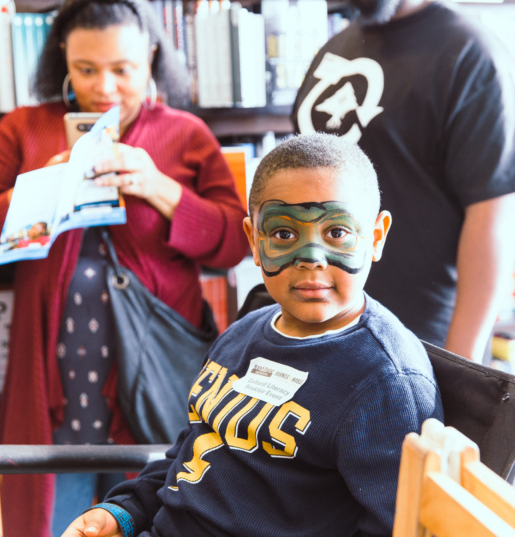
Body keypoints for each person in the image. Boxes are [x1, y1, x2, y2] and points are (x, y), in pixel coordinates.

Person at [0, 1, 248, 536]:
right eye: (85, 69)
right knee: (50, 523)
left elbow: (233, 243)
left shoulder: (186, 134)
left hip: (156, 389)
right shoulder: (25, 129)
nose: (104, 87)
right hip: (51, 396)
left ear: (151, 57)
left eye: (122, 70)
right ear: (63, 59)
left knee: (159, 516)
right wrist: (38, 189)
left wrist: (158, 187)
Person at [60, 133, 444, 537]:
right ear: (254, 242)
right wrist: (123, 512)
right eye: (283, 234)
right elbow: (192, 450)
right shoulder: (241, 335)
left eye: (336, 232)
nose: (311, 258)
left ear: (376, 237)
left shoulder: (386, 384)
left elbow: (398, 527)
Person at [292, 0, 515, 362]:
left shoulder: (469, 55)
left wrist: (461, 369)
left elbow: (493, 216)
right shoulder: (334, 50)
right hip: (327, 335)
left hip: (422, 347)